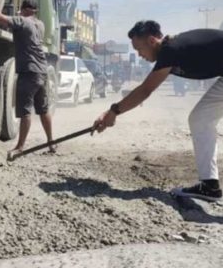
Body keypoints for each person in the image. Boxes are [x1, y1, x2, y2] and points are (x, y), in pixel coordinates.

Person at [94, 20, 223, 202]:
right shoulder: (171, 49)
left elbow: (146, 89)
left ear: (152, 41)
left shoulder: (170, 50)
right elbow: (144, 89)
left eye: (139, 49)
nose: (139, 55)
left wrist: (113, 112)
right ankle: (209, 186)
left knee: (200, 119)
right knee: (200, 119)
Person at [0, 0, 56, 159]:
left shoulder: (22, 21)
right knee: (43, 109)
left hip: (28, 71)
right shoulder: (40, 24)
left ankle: (19, 147)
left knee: (25, 111)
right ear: (35, 11)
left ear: (25, 10)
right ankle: (50, 142)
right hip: (42, 71)